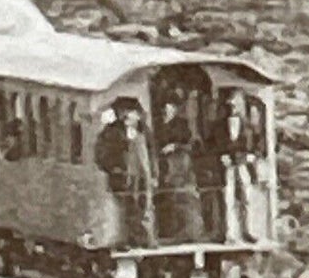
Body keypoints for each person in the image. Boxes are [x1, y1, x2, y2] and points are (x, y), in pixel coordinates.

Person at [95, 102, 157, 247]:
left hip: (143, 175)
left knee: (144, 205)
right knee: (126, 208)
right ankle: (127, 238)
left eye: (136, 114)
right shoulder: (111, 132)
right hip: (123, 177)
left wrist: (154, 174)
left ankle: (145, 238)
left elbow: (151, 155)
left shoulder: (144, 133)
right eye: (130, 114)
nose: (134, 116)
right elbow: (101, 154)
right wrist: (114, 168)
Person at [210, 91, 261, 244]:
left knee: (247, 198)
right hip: (228, 166)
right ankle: (230, 234)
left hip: (243, 164)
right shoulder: (220, 126)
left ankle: (248, 231)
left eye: (236, 104)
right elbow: (214, 144)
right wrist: (222, 155)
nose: (234, 107)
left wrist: (252, 155)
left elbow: (257, 145)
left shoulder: (248, 126)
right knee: (228, 199)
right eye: (231, 104)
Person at [154, 96, 203, 243]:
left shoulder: (181, 124)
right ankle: (169, 231)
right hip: (164, 165)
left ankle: (187, 232)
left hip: (179, 164)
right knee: (167, 197)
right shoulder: (158, 124)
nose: (166, 110)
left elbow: (189, 143)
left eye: (169, 107)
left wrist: (175, 146)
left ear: (174, 109)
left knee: (183, 197)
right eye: (164, 108)